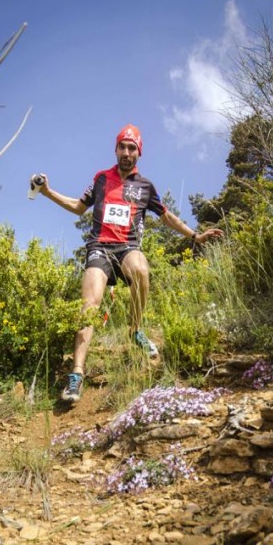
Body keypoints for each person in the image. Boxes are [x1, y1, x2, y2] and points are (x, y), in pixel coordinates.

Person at [36, 124, 223, 402]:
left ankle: (134, 329)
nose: (126, 152)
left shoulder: (145, 187)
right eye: (122, 146)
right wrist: (48, 192)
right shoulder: (101, 179)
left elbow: (166, 216)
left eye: (132, 147)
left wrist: (195, 235)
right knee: (89, 307)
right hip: (99, 249)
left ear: (139, 152)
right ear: (115, 149)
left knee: (141, 269)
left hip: (127, 248)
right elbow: (78, 206)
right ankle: (76, 375)